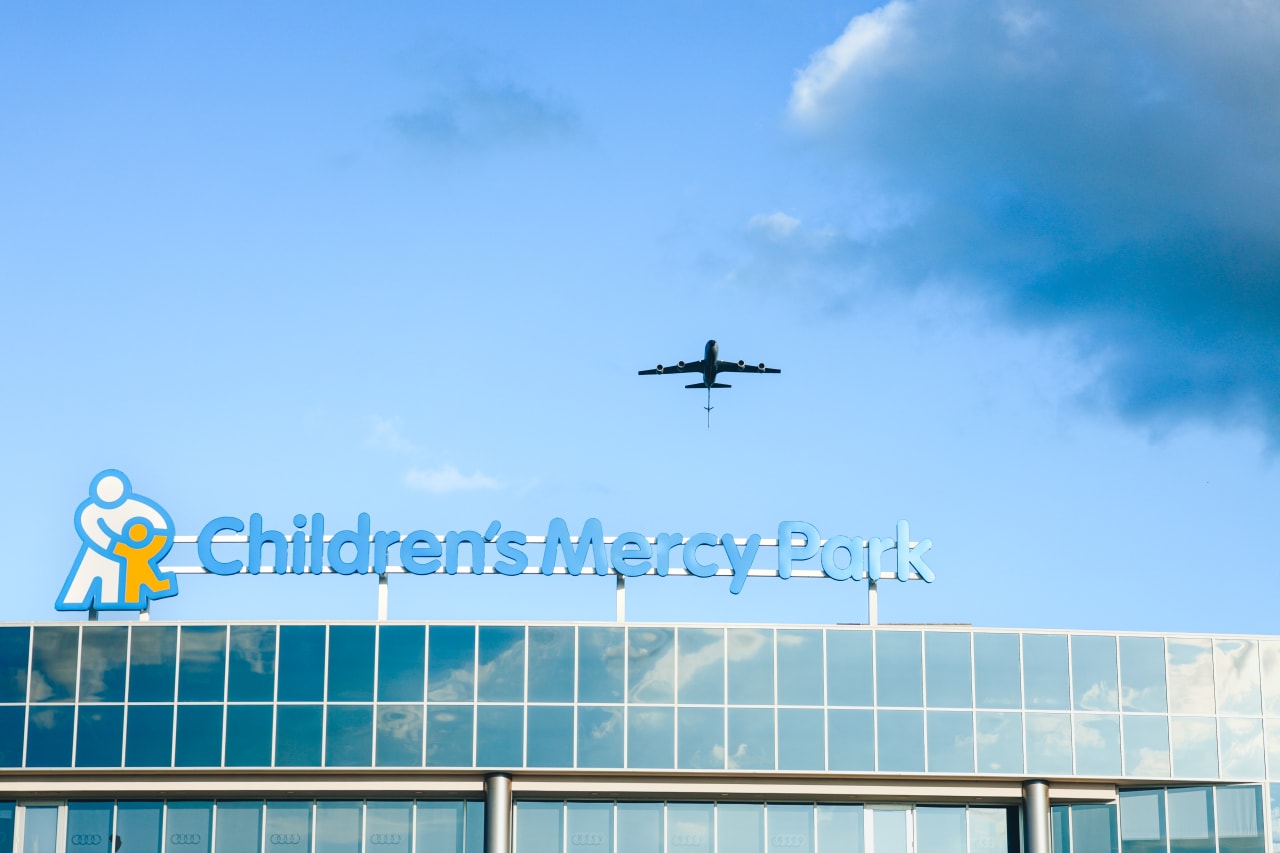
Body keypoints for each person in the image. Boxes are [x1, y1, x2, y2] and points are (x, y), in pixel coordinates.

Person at [56, 469, 178, 610]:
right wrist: (117, 546)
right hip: (121, 552)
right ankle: (115, 592)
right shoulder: (91, 513)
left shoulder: (135, 510)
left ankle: (127, 590)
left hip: (138, 548)